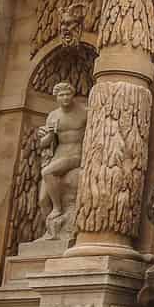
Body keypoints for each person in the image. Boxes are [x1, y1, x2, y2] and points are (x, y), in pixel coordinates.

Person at [37, 81, 87, 231]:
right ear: (56, 97)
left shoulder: (84, 112)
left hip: (75, 154)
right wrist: (50, 133)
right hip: (58, 156)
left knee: (47, 172)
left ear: (73, 95)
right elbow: (44, 143)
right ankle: (51, 234)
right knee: (43, 200)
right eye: (61, 95)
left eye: (68, 94)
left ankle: (58, 208)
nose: (65, 97)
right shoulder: (53, 115)